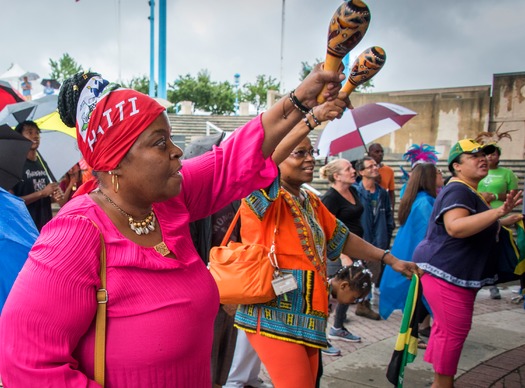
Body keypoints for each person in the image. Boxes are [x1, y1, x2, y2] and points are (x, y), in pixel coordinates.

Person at [0, 66, 347, 386]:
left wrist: (301, 99)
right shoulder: (75, 236)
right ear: (115, 162)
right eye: (160, 142)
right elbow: (25, 362)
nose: (177, 151)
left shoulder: (166, 201)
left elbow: (233, 158)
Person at [234, 127, 421, 387]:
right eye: (299, 153)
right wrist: (309, 118)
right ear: (276, 157)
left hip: (311, 316)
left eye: (312, 152)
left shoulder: (310, 200)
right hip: (272, 314)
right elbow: (260, 162)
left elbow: (342, 238)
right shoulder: (263, 195)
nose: (310, 158)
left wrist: (389, 259)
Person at [412, 139, 523, 388]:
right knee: (454, 332)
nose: (482, 158)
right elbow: (456, 227)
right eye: (473, 156)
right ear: (457, 166)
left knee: (446, 330)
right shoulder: (459, 190)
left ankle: (440, 382)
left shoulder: (467, 190)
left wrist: (502, 220)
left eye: (483, 154)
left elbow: (473, 225)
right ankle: (443, 384)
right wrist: (497, 212)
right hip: (446, 273)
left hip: (450, 271)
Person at [379, 161, 444, 348]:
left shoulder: (422, 199)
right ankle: (412, 335)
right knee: (417, 295)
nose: (441, 175)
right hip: (418, 257)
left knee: (419, 295)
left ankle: (421, 329)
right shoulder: (424, 202)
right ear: (429, 178)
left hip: (412, 252)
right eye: (438, 172)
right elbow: (428, 234)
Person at [320, 158, 363, 343]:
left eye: (352, 168)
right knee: (329, 295)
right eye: (348, 169)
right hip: (337, 255)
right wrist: (343, 255)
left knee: (351, 289)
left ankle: (338, 328)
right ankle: (320, 337)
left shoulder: (353, 190)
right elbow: (325, 229)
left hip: (355, 249)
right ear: (336, 176)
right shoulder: (330, 198)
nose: (353, 171)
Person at [353, 156, 394, 320]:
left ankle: (364, 303)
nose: (375, 168)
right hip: (362, 237)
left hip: (379, 238)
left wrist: (388, 232)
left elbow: (388, 216)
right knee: (360, 272)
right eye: (370, 166)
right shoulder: (355, 191)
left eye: (375, 166)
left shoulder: (382, 192)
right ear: (361, 172)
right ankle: (362, 303)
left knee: (373, 272)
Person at [477, 144, 519, 299]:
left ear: (499, 157)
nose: (490, 157)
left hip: (499, 213)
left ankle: (494, 281)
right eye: (487, 155)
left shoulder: (507, 173)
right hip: (480, 213)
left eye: (493, 154)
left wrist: (494, 196)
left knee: (496, 246)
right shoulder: (479, 172)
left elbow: (513, 195)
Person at [11, 120, 65, 231]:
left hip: (45, 227)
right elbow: (12, 202)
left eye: (37, 133)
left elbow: (47, 196)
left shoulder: (42, 163)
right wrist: (42, 193)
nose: (35, 136)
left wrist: (54, 196)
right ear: (20, 138)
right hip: (24, 229)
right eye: (30, 132)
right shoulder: (14, 164)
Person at [368, 143, 395, 212]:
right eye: (377, 152)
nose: (380, 154)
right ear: (369, 154)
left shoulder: (389, 170)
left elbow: (391, 192)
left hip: (383, 206)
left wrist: (391, 210)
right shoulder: (364, 170)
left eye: (382, 152)